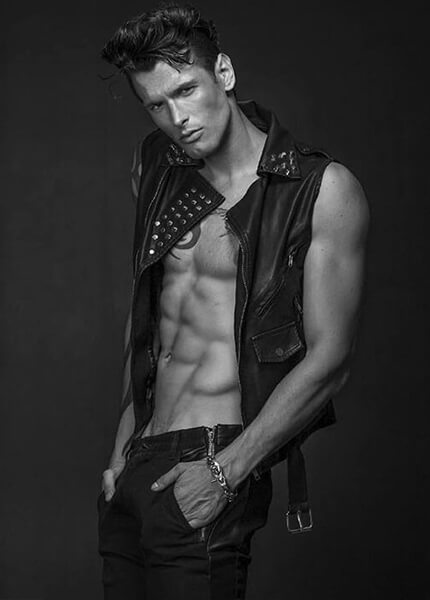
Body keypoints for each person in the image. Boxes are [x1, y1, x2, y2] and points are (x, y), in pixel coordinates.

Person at [97, 4, 369, 599]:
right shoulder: (153, 164)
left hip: (211, 460)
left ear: (223, 72)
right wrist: (120, 451)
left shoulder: (319, 190)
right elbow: (149, 319)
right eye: (155, 105)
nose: (177, 119)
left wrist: (224, 474)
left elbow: (331, 360)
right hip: (138, 463)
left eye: (186, 90)